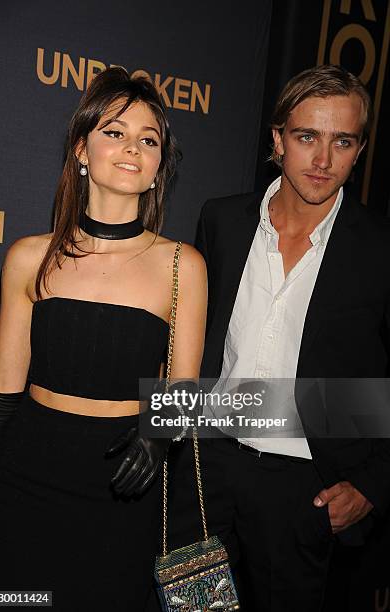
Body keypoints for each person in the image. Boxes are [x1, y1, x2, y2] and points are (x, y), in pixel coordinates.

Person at [167, 64, 390, 611]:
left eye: (342, 141)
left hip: (304, 489)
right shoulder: (221, 220)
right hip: (205, 467)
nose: (322, 160)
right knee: (194, 607)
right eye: (306, 136)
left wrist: (375, 483)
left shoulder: (379, 249)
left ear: (358, 150)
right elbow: (191, 345)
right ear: (277, 139)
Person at [0, 67, 207, 611]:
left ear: (159, 166)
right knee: (18, 602)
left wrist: (158, 437)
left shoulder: (182, 265)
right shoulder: (29, 257)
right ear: (82, 149)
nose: (132, 147)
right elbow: (2, 392)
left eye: (148, 139)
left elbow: (184, 390)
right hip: (27, 478)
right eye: (115, 131)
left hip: (123, 487)